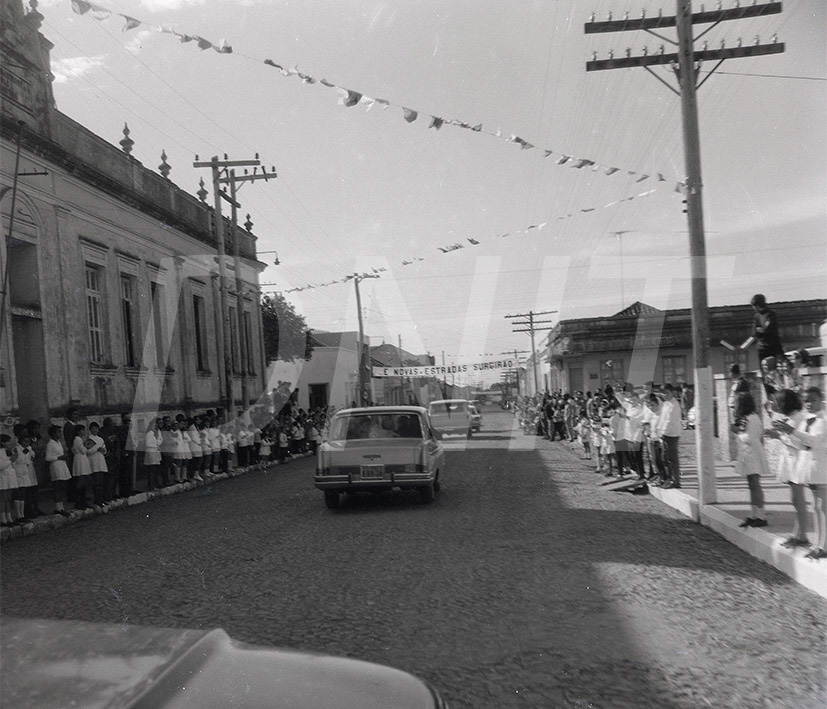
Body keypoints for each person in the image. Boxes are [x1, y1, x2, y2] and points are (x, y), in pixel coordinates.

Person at [770, 387, 827, 558]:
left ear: (821, 400)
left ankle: (823, 546)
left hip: (821, 468)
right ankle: (818, 545)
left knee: (822, 508)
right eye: (806, 400)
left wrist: (792, 431)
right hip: (811, 469)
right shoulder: (808, 420)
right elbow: (801, 444)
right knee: (817, 507)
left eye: (813, 400)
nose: (809, 404)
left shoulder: (823, 420)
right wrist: (785, 433)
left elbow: (815, 441)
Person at [732, 393, 769, 528]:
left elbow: (752, 438)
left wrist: (737, 432)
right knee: (751, 485)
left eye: (736, 402)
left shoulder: (752, 418)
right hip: (747, 454)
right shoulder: (746, 417)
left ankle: (762, 516)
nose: (735, 405)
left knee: (755, 484)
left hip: (753, 454)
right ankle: (753, 515)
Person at [658, 384, 683, 488]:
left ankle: (675, 481)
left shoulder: (674, 405)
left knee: (672, 458)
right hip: (665, 433)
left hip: (672, 434)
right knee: (665, 457)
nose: (665, 395)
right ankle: (669, 478)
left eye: (667, 392)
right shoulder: (666, 404)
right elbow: (662, 419)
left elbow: (670, 420)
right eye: (663, 393)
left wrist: (663, 432)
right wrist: (659, 430)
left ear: (672, 392)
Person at [45, 425, 71, 517]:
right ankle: (58, 507)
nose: (60, 434)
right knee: (57, 486)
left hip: (62, 465)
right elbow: (48, 457)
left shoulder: (58, 442)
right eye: (58, 432)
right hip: (56, 466)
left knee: (62, 486)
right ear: (53, 433)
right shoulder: (50, 444)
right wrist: (58, 457)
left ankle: (61, 507)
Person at [751, 294, 785, 363]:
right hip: (762, 348)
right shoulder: (756, 317)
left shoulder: (771, 314)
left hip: (773, 346)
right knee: (764, 366)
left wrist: (761, 330)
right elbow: (754, 332)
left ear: (757, 306)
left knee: (777, 365)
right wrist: (760, 330)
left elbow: (767, 329)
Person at [86, 422, 108, 506]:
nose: (95, 430)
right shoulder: (89, 439)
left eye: (96, 428)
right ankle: (97, 499)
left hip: (100, 460)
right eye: (93, 428)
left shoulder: (101, 439)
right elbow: (88, 451)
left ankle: (101, 499)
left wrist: (103, 450)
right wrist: (96, 449)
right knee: (96, 482)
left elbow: (105, 450)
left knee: (101, 482)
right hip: (93, 461)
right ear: (90, 429)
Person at [71, 424, 92, 509]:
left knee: (83, 482)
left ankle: (83, 501)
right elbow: (83, 450)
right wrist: (87, 446)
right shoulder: (77, 439)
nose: (84, 432)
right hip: (80, 460)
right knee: (80, 482)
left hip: (82, 459)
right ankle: (78, 502)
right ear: (78, 432)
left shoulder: (80, 439)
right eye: (82, 430)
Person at [0, 434, 18, 526]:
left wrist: (14, 458)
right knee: (3, 499)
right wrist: (11, 460)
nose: (10, 443)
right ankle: (3, 519)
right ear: (3, 442)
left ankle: (9, 517)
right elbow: (1, 465)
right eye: (8, 441)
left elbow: (12, 464)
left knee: (8, 498)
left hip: (10, 477)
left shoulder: (8, 451)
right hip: (2, 477)